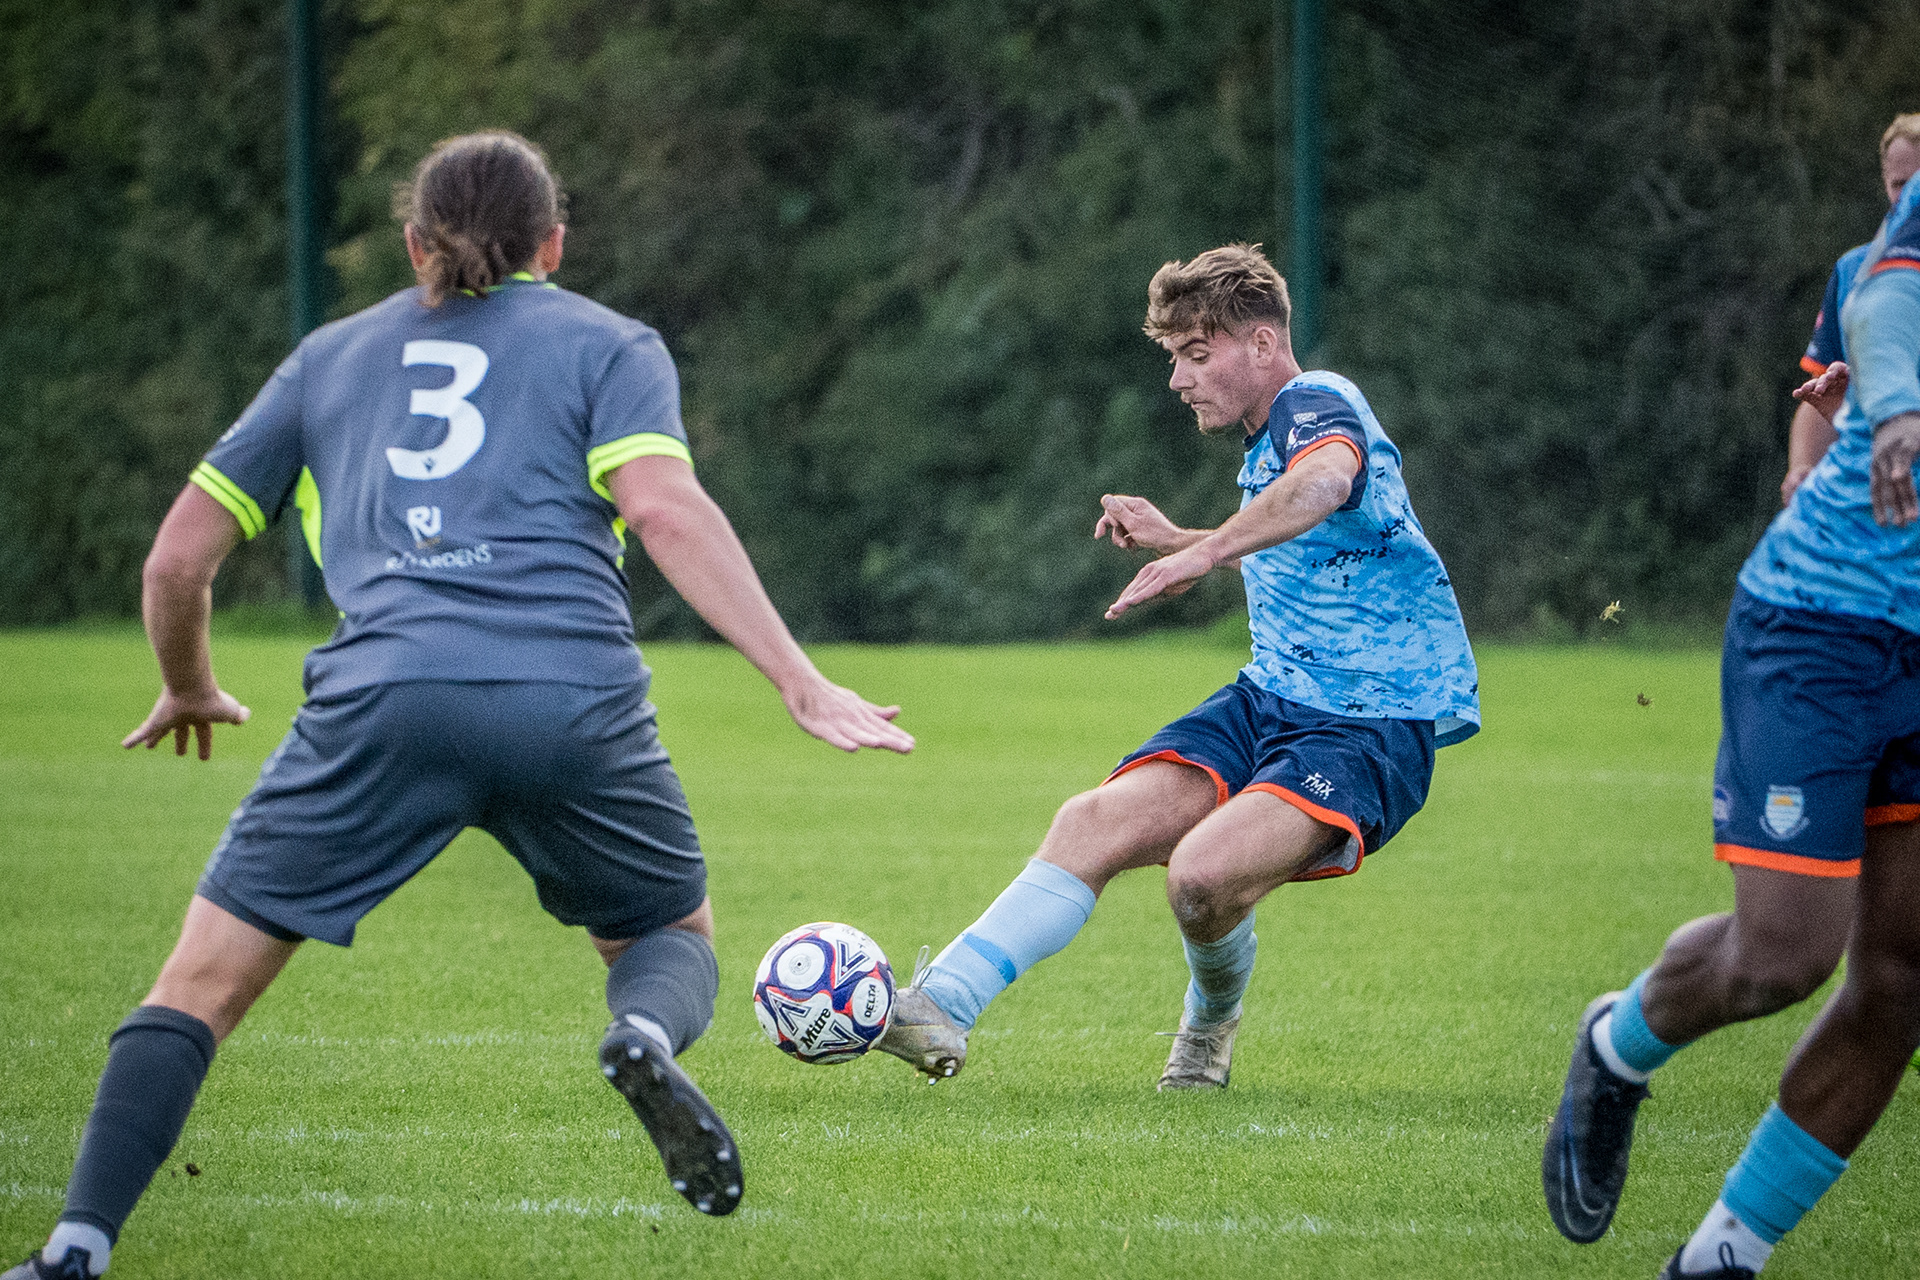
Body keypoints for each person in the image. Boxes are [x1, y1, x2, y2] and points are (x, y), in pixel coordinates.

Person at [4, 132, 913, 1280]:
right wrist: (798, 676)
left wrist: (190, 682)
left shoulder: (329, 356)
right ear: (555, 241)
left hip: (383, 698)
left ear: (412, 242)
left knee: (197, 985)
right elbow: (668, 510)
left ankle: (74, 1247)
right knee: (665, 936)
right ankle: (638, 1033)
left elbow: (177, 561)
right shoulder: (609, 344)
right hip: (571, 695)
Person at [874, 243, 1479, 1089]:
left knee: (1201, 878)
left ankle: (1208, 1025)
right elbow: (1301, 547)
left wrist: (1204, 555)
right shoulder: (1268, 445)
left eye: (1197, 355)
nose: (1178, 380)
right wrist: (1180, 540)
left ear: (1262, 345)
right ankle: (941, 1004)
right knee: (1092, 821)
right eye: (1175, 359)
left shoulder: (1319, 401)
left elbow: (1327, 485)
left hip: (1368, 725)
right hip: (1271, 701)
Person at [1541, 171, 1920, 1274]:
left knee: (1902, 975)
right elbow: (1885, 296)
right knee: (1782, 956)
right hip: (1825, 621)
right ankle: (1619, 1045)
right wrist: (1895, 405)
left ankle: (1722, 1255)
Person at [1780, 113, 1920, 505]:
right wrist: (1802, 468)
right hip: (1873, 507)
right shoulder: (1854, 271)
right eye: (1900, 185)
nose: (1911, 198)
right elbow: (1820, 394)